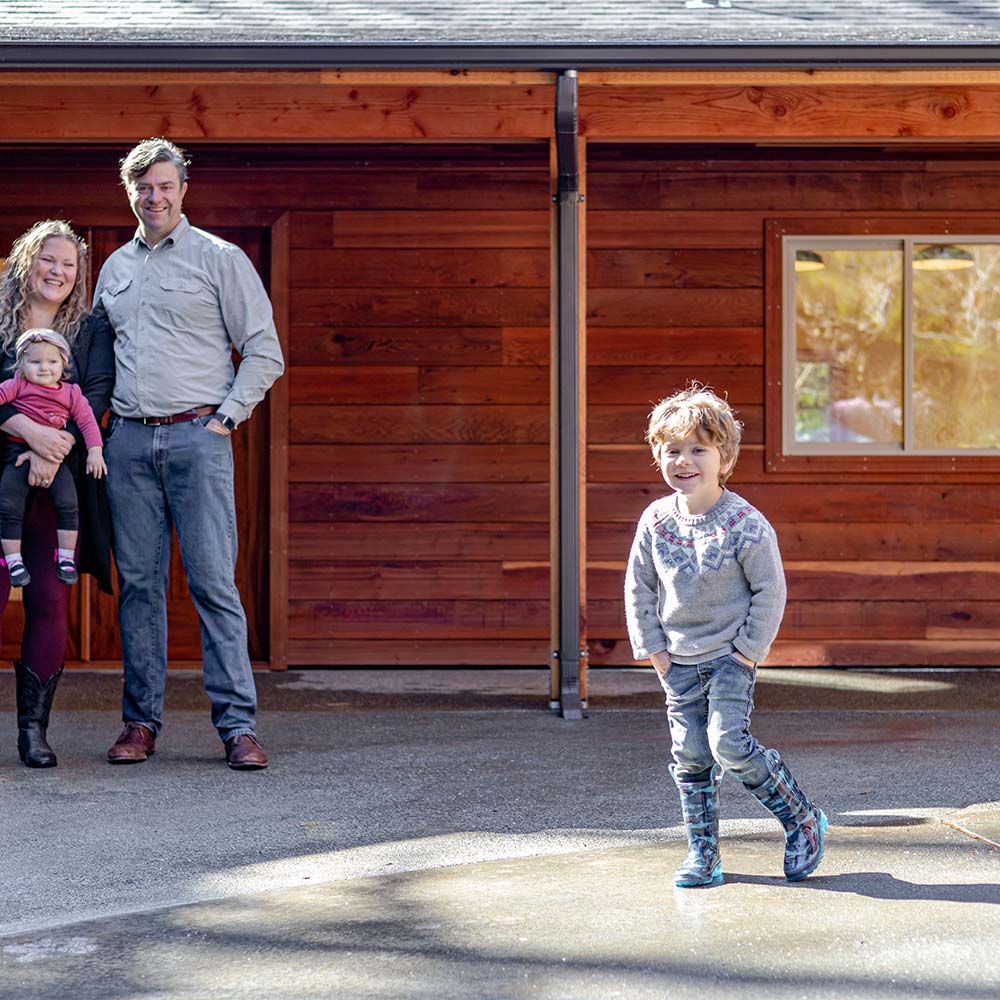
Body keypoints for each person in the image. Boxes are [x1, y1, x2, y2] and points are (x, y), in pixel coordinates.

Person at [92, 137, 284, 771]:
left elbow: (264, 352)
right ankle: (140, 723)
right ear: (130, 193)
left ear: (183, 190)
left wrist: (224, 420)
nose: (154, 196)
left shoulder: (219, 259)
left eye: (165, 186)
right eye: (143, 187)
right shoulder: (113, 269)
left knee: (211, 583)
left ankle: (237, 728)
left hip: (196, 437)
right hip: (127, 442)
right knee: (140, 587)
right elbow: (96, 359)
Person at [624, 384, 827, 887]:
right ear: (658, 456)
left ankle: (801, 818)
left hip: (730, 659)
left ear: (723, 456)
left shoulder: (744, 524)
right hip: (678, 661)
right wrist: (654, 650)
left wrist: (746, 654)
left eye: (698, 449)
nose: (684, 461)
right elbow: (638, 586)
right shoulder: (655, 521)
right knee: (690, 754)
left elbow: (770, 591)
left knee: (726, 743)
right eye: (672, 450)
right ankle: (703, 853)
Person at [0, 220, 115, 768]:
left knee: (49, 599)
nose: (57, 271)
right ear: (27, 260)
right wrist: (29, 431)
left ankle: (33, 733)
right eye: (48, 259)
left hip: (58, 485)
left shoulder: (90, 331)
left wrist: (54, 448)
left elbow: (96, 394)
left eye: (69, 264)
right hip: (0, 477)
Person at [0, 329, 107, 588]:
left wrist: (95, 451)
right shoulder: (17, 385)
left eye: (52, 362)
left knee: (68, 503)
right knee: (8, 504)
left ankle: (66, 559)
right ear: (21, 366)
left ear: (64, 365)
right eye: (35, 362)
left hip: (59, 460)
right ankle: (13, 560)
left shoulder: (71, 393)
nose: (44, 368)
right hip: (17, 454)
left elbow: (88, 422)